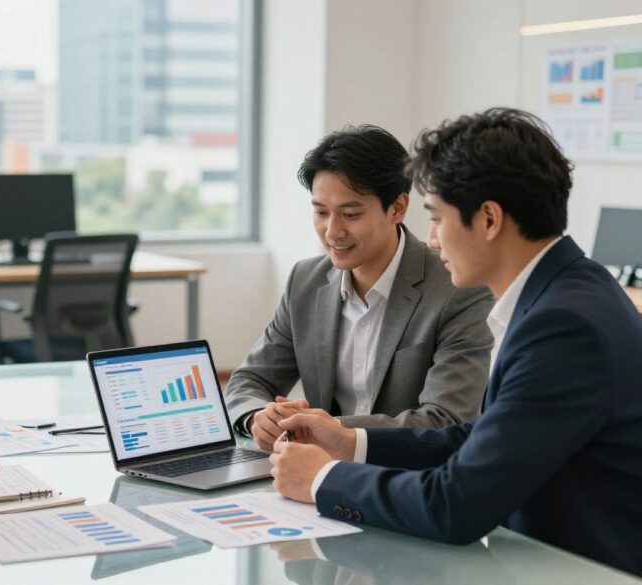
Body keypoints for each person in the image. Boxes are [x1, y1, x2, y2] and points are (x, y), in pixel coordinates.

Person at [270, 108, 642, 576]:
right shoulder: (565, 292)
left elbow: (456, 505)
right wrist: (351, 443)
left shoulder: (564, 326)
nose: (432, 241)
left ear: (488, 219)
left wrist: (323, 480)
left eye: (437, 218)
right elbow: (482, 440)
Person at [226, 125, 494, 450]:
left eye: (350, 214)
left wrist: (328, 429)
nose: (332, 231)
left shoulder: (458, 289)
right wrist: (257, 417)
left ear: (397, 208)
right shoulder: (305, 281)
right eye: (321, 212)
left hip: (404, 478)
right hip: (312, 473)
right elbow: (249, 379)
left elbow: (447, 420)